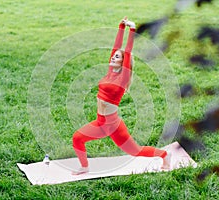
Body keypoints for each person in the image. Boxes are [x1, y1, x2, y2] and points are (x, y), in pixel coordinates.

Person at [72, 17, 171, 175]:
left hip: (112, 125)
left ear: (123, 62)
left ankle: (164, 155)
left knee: (135, 151)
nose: (113, 57)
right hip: (100, 123)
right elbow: (116, 47)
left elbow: (126, 51)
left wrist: (132, 30)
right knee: (77, 138)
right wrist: (121, 27)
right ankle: (84, 167)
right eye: (113, 56)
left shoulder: (122, 78)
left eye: (117, 57)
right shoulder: (110, 72)